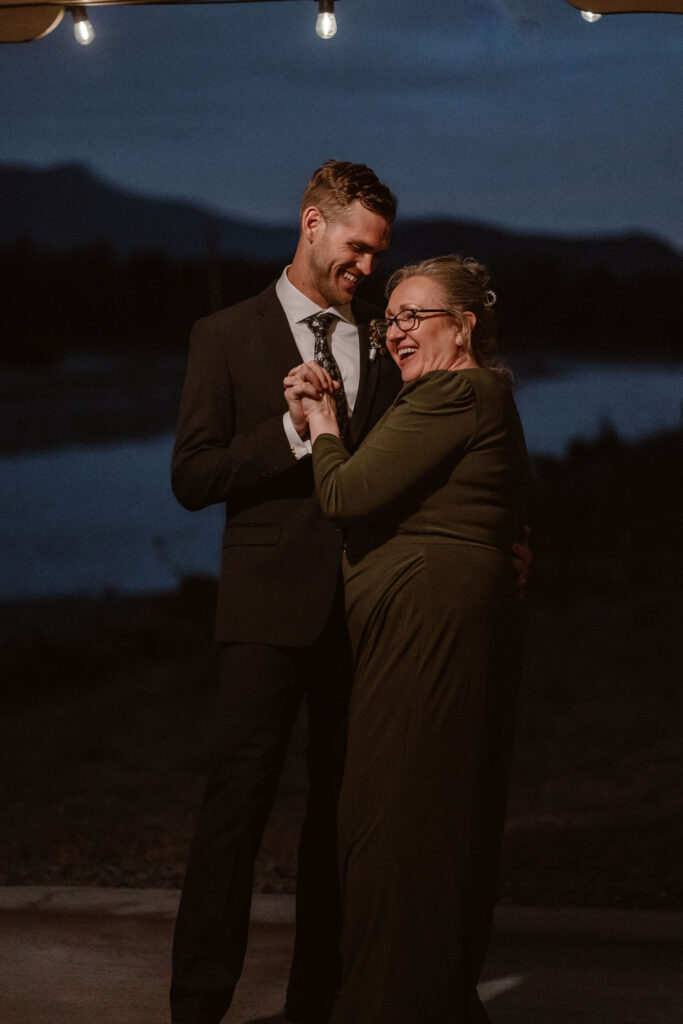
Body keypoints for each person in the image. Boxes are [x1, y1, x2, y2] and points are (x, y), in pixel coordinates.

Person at [169, 160, 401, 1024]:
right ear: (311, 223)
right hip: (264, 615)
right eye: (356, 247)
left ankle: (317, 1006)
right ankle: (195, 1007)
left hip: (361, 611)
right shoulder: (222, 335)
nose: (367, 269)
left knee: (337, 825)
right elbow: (192, 477)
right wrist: (288, 432)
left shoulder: (383, 338)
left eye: (379, 255)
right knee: (233, 815)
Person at [287, 254, 531, 1024]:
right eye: (388, 318)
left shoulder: (456, 390)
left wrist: (321, 424)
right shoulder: (461, 397)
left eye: (414, 316)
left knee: (397, 826)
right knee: (408, 818)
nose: (395, 332)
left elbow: (346, 493)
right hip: (429, 628)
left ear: (463, 324)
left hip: (425, 635)